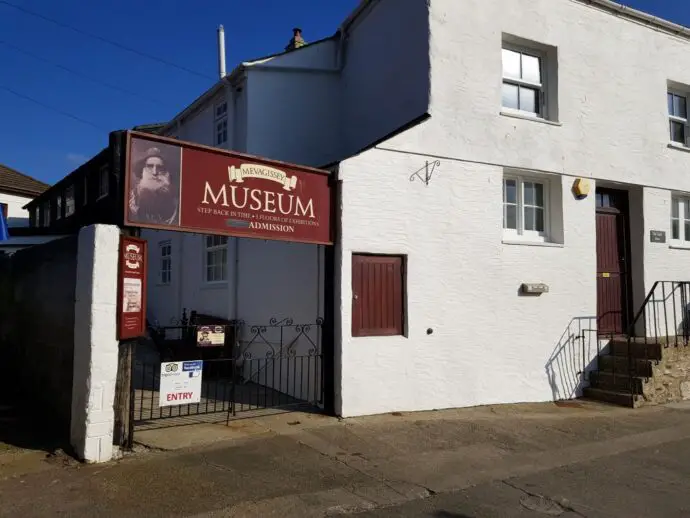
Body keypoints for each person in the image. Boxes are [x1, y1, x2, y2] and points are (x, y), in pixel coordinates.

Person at [129, 146, 179, 225]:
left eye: (160, 168)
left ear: (167, 173)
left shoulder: (175, 201)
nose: (155, 172)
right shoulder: (130, 199)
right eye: (149, 166)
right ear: (142, 170)